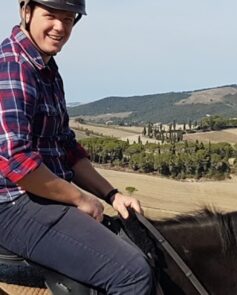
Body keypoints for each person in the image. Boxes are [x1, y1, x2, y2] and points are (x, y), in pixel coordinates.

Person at [0, 0, 153, 293]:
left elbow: (66, 147)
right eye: (51, 16)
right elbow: (15, 159)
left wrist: (113, 195)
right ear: (26, 11)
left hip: (40, 195)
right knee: (131, 274)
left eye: (68, 19)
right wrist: (80, 199)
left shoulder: (46, 69)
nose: (60, 27)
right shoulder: (13, 65)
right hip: (12, 202)